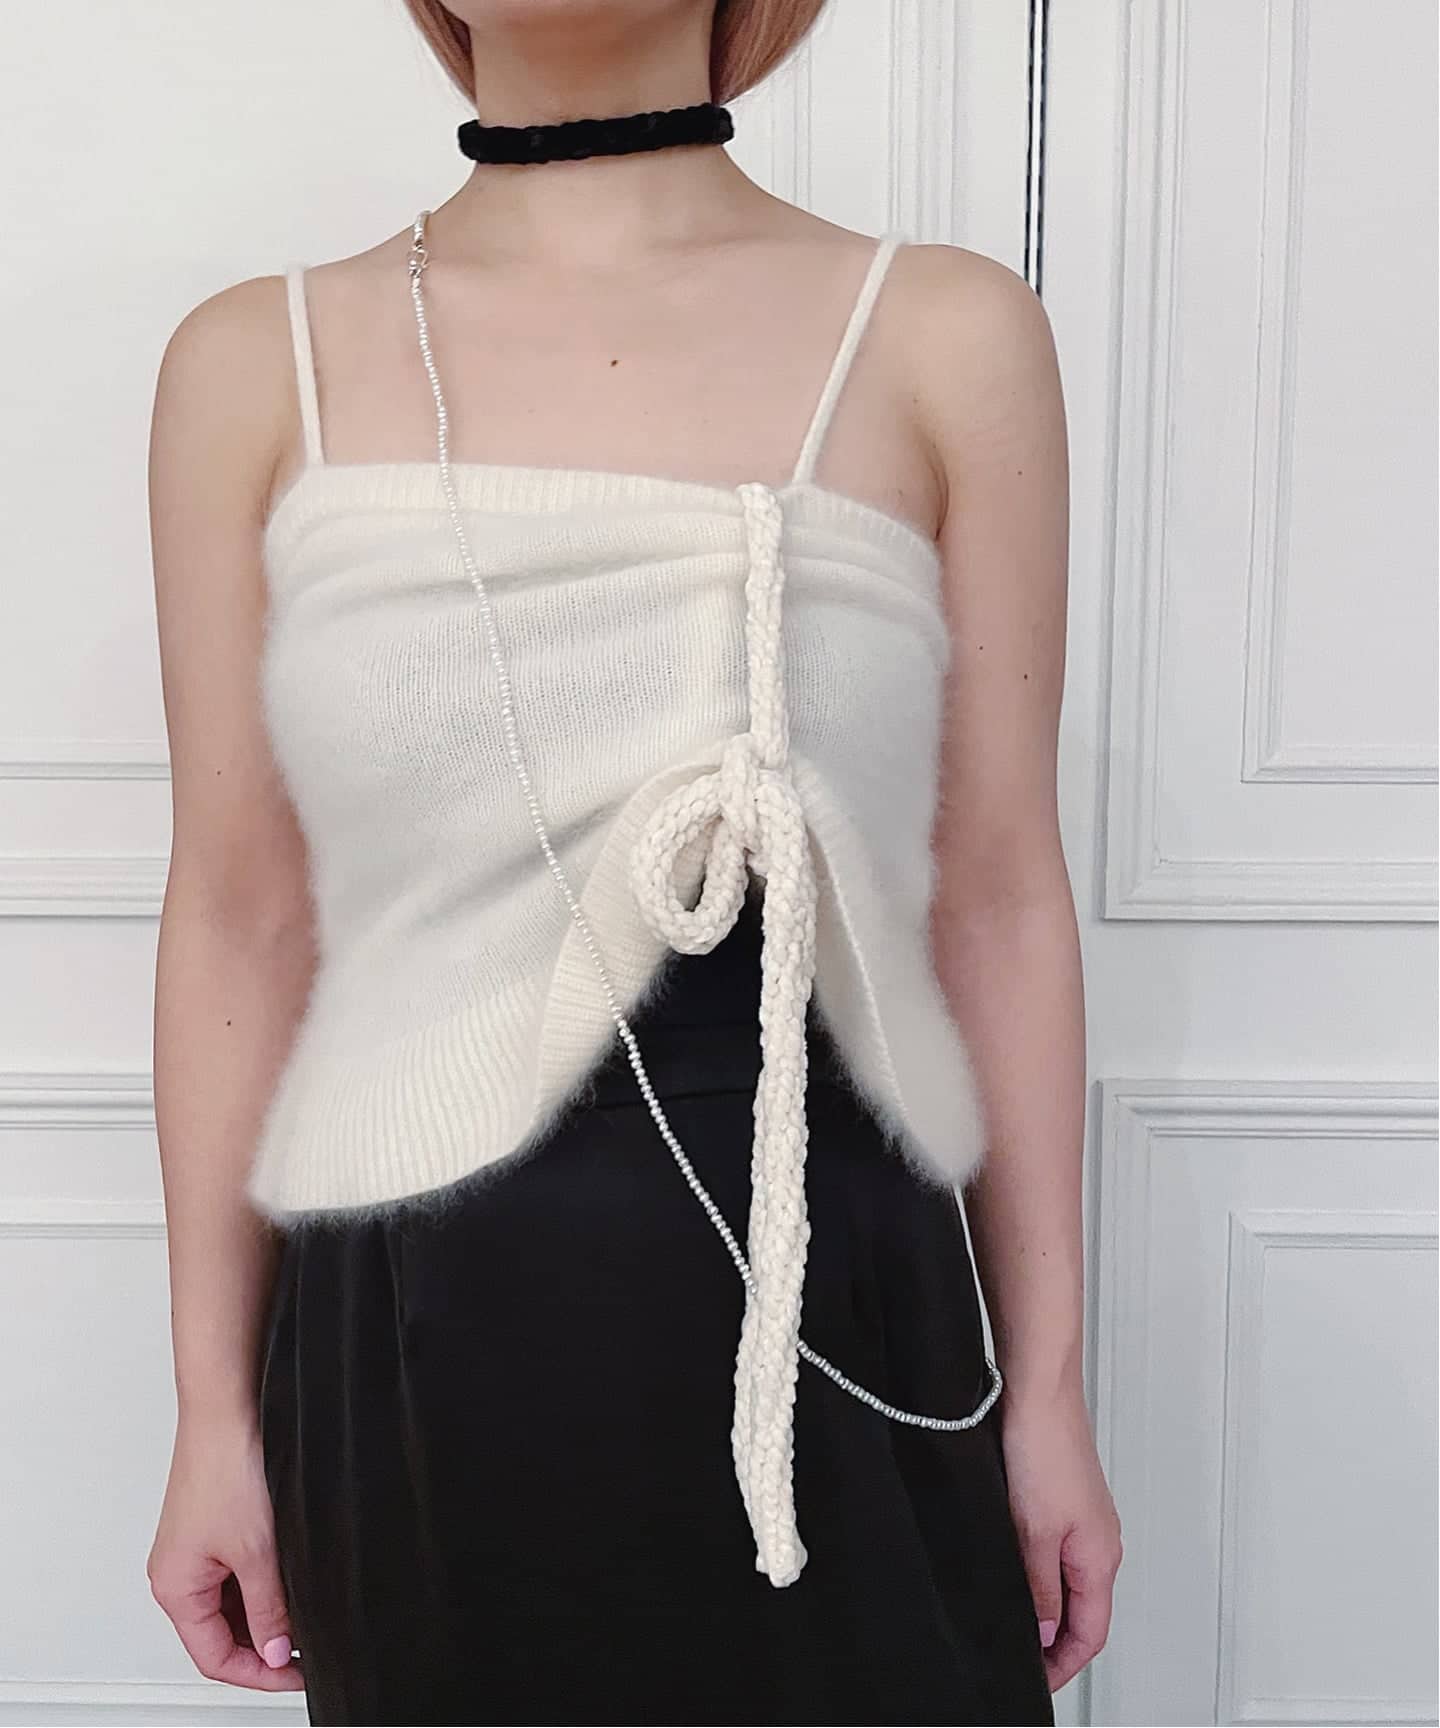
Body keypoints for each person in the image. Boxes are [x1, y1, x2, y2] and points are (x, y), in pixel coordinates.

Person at [144, 1, 1121, 1722]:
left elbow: (996, 897)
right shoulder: (254, 362)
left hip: (848, 1311)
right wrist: (211, 1419)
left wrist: (1048, 1397)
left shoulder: (943, 334)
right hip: (420, 1349)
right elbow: (243, 916)